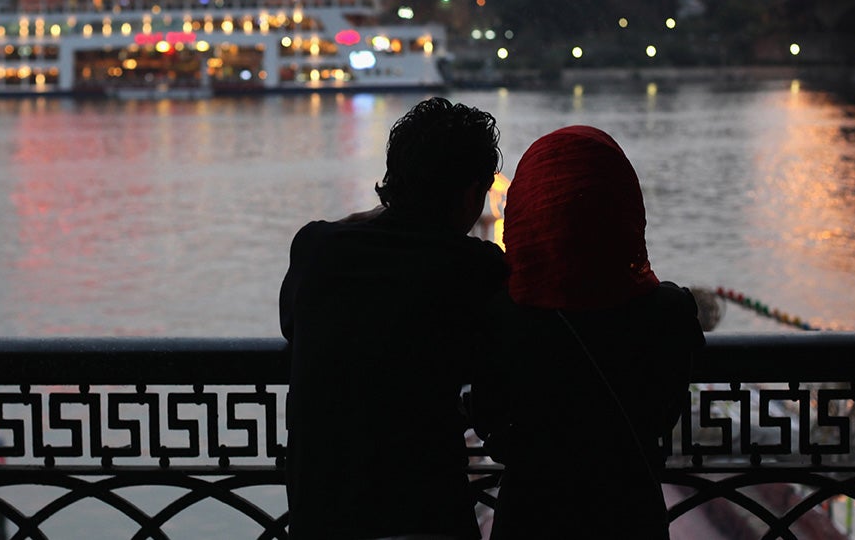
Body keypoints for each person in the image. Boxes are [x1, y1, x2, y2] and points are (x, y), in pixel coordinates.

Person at [280, 97, 508, 539]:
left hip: (320, 515)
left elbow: (293, 326)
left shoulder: (316, 250)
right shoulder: (475, 268)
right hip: (423, 513)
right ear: (470, 193)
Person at [471, 125, 705, 540]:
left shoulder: (501, 316)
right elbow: (665, 412)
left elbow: (490, 418)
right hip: (630, 516)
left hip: (531, 518)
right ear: (624, 206)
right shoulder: (669, 312)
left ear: (530, 209)